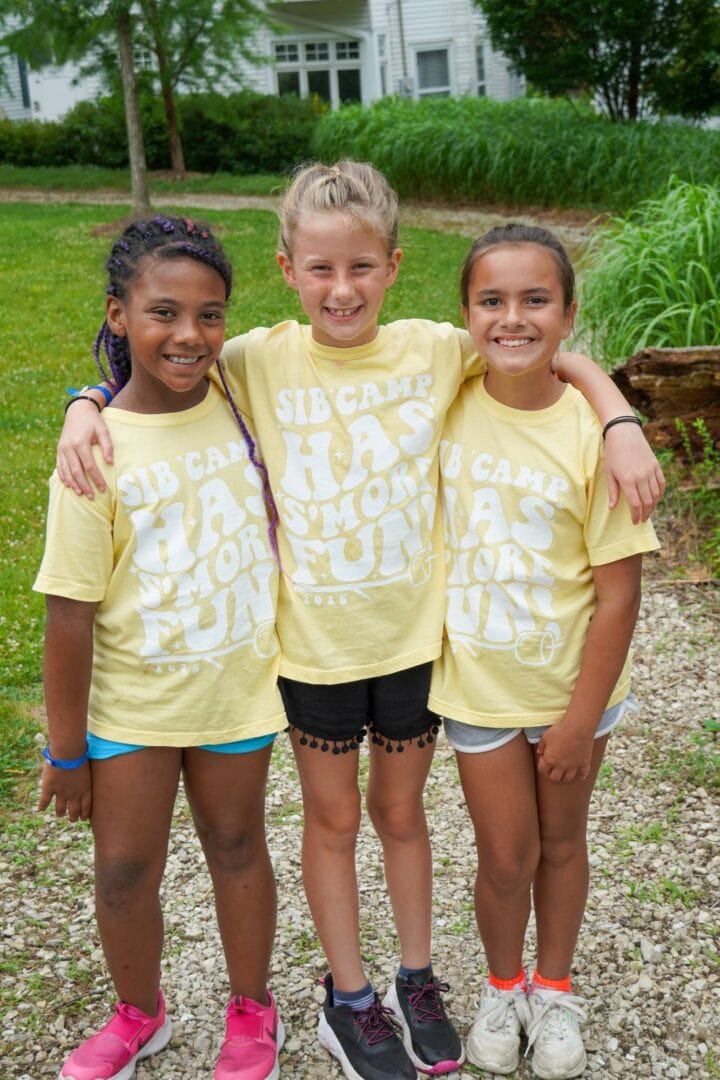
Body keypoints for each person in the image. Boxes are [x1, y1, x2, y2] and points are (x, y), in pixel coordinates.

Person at [54, 164, 664, 1080]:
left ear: (394, 265)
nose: (342, 290)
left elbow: (540, 346)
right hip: (313, 653)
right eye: (320, 270)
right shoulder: (254, 358)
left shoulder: (434, 348)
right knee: (331, 824)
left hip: (416, 647)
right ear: (288, 269)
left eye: (363, 269)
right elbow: (159, 369)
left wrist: (617, 415)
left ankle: (417, 978)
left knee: (403, 816)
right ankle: (349, 999)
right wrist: (84, 403)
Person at [34, 216, 287, 1080]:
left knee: (238, 847)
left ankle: (253, 1011)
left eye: (211, 315)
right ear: (118, 315)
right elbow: (67, 616)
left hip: (234, 695)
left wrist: (84, 393)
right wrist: (66, 752)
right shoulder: (95, 453)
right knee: (123, 869)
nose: (189, 335)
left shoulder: (242, 396)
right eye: (164, 313)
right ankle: (140, 1014)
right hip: (131, 707)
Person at [428, 224, 660, 1079]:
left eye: (536, 300)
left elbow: (620, 594)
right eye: (491, 300)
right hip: (478, 688)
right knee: (504, 855)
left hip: (573, 690)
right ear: (464, 314)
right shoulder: (445, 394)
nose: (512, 317)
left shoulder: (594, 441)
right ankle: (502, 986)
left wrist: (577, 718)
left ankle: (554, 989)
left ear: (568, 314)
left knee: (563, 843)